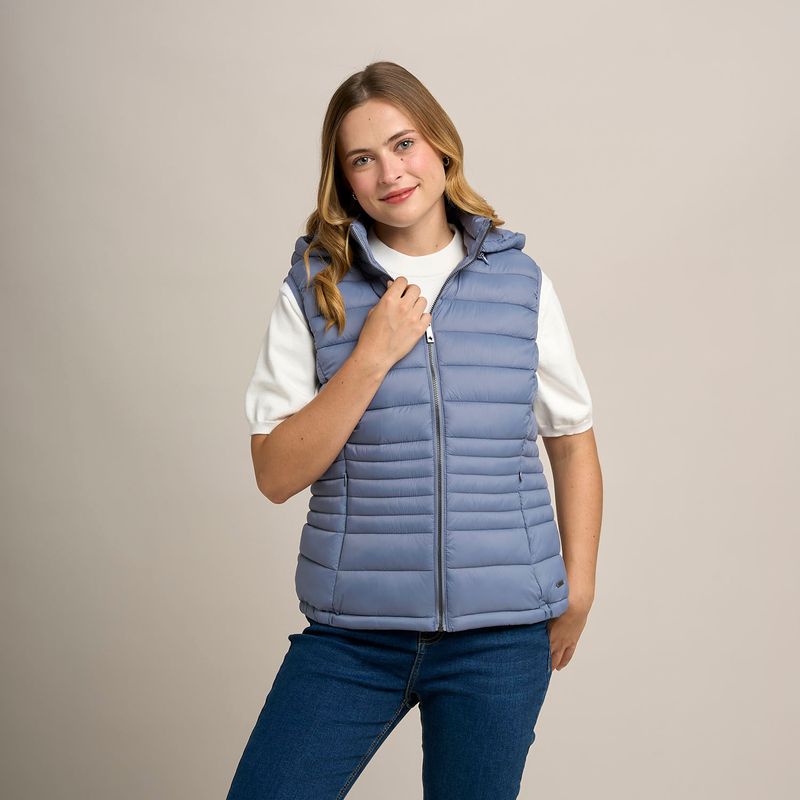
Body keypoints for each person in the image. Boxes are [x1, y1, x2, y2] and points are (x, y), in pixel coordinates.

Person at [227, 61, 603, 800]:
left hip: (500, 638)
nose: (390, 172)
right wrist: (371, 355)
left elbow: (572, 442)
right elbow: (274, 474)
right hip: (353, 636)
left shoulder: (518, 283)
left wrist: (579, 591)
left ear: (440, 145)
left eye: (403, 144)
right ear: (343, 179)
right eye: (362, 159)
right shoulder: (316, 287)